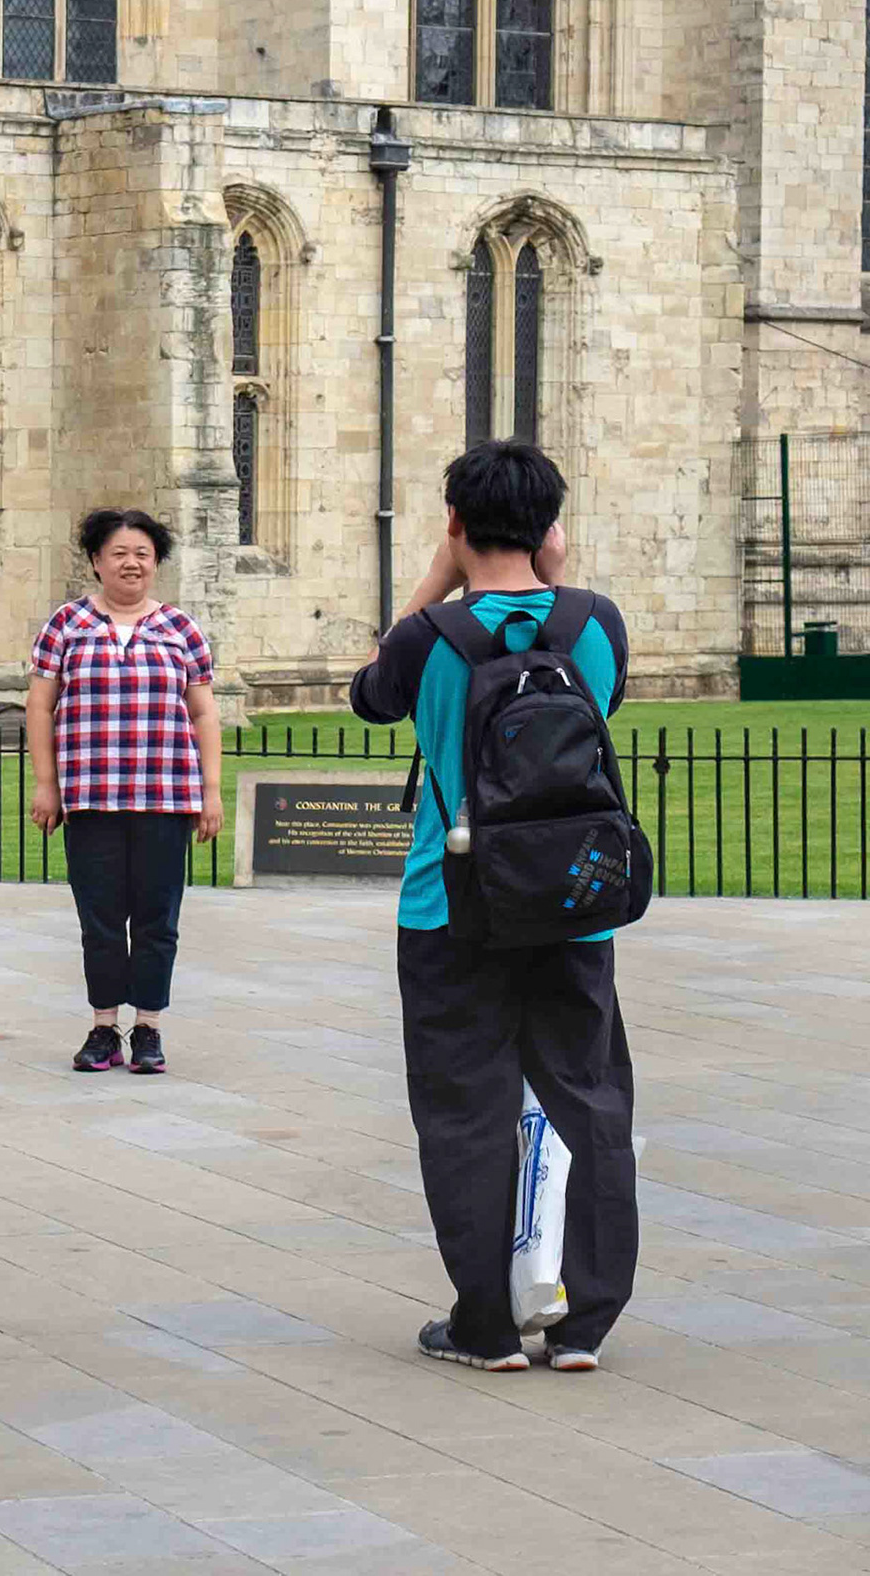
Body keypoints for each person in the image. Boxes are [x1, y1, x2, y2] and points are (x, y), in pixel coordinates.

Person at [351, 439, 638, 1374]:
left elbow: (371, 699)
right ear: (552, 526)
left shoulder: (424, 638)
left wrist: (435, 580)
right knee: (587, 1098)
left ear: (456, 523)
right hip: (573, 898)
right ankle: (586, 1321)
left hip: (454, 902)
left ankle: (483, 1325)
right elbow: (603, 703)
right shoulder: (597, 623)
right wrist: (551, 578)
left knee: (465, 1108)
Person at [27, 509, 224, 1076]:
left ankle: (149, 1029)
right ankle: (102, 1027)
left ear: (156, 562)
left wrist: (209, 792)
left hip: (165, 797)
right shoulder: (66, 625)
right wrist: (47, 784)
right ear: (96, 561)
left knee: (158, 918)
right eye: (118, 553)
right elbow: (40, 705)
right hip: (90, 797)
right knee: (101, 919)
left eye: (142, 553)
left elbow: (204, 710)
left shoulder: (180, 629)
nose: (131, 563)